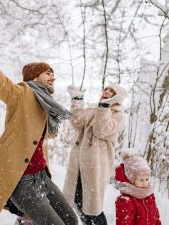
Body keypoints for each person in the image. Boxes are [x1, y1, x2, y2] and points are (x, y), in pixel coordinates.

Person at [0, 34, 78, 225]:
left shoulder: (46, 103)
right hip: (23, 181)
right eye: (48, 73)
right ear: (34, 77)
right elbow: (2, 86)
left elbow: (44, 137)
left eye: (53, 73)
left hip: (42, 177)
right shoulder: (23, 94)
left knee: (71, 219)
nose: (53, 76)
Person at [63, 84, 127, 225]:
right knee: (77, 200)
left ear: (118, 97)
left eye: (112, 91)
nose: (107, 91)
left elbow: (100, 130)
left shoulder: (118, 114)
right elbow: (76, 122)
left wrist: (104, 107)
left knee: (92, 207)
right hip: (78, 164)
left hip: (96, 166)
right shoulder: (94, 108)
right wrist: (77, 100)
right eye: (106, 89)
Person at [115, 151, 162, 225]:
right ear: (131, 180)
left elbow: (156, 216)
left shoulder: (149, 195)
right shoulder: (125, 200)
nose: (144, 183)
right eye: (141, 180)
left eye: (147, 179)